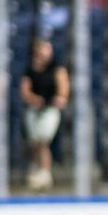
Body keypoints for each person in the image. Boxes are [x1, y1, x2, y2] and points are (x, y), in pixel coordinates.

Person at [19, 38, 68, 190]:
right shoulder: (30, 68)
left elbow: (63, 88)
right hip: (34, 109)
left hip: (50, 109)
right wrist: (34, 99)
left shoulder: (56, 68)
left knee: (43, 141)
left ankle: (45, 172)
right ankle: (36, 169)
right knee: (35, 142)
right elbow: (25, 89)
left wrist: (59, 99)